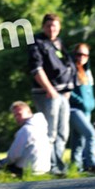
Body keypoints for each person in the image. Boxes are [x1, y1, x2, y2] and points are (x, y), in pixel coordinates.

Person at [28, 13, 75, 175]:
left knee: (63, 133)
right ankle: (50, 166)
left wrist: (67, 91)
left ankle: (59, 164)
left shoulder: (58, 43)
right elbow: (36, 69)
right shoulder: (37, 42)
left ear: (59, 27)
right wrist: (50, 89)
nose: (52, 29)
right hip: (47, 93)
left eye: (54, 25)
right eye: (48, 26)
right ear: (43, 27)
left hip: (62, 94)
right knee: (50, 133)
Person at [69, 43, 95, 172]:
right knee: (91, 134)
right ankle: (91, 163)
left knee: (78, 141)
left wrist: (92, 103)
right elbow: (68, 91)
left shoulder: (87, 72)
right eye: (79, 54)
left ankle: (76, 168)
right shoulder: (70, 70)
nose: (82, 57)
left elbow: (90, 92)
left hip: (87, 111)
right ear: (74, 55)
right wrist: (81, 102)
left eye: (85, 55)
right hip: (75, 110)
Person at [3, 101, 51, 177]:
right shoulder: (41, 126)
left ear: (29, 112)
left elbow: (13, 155)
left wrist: (1, 163)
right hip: (44, 169)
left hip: (30, 170)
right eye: (15, 116)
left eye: (19, 114)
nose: (17, 118)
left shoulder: (26, 130)